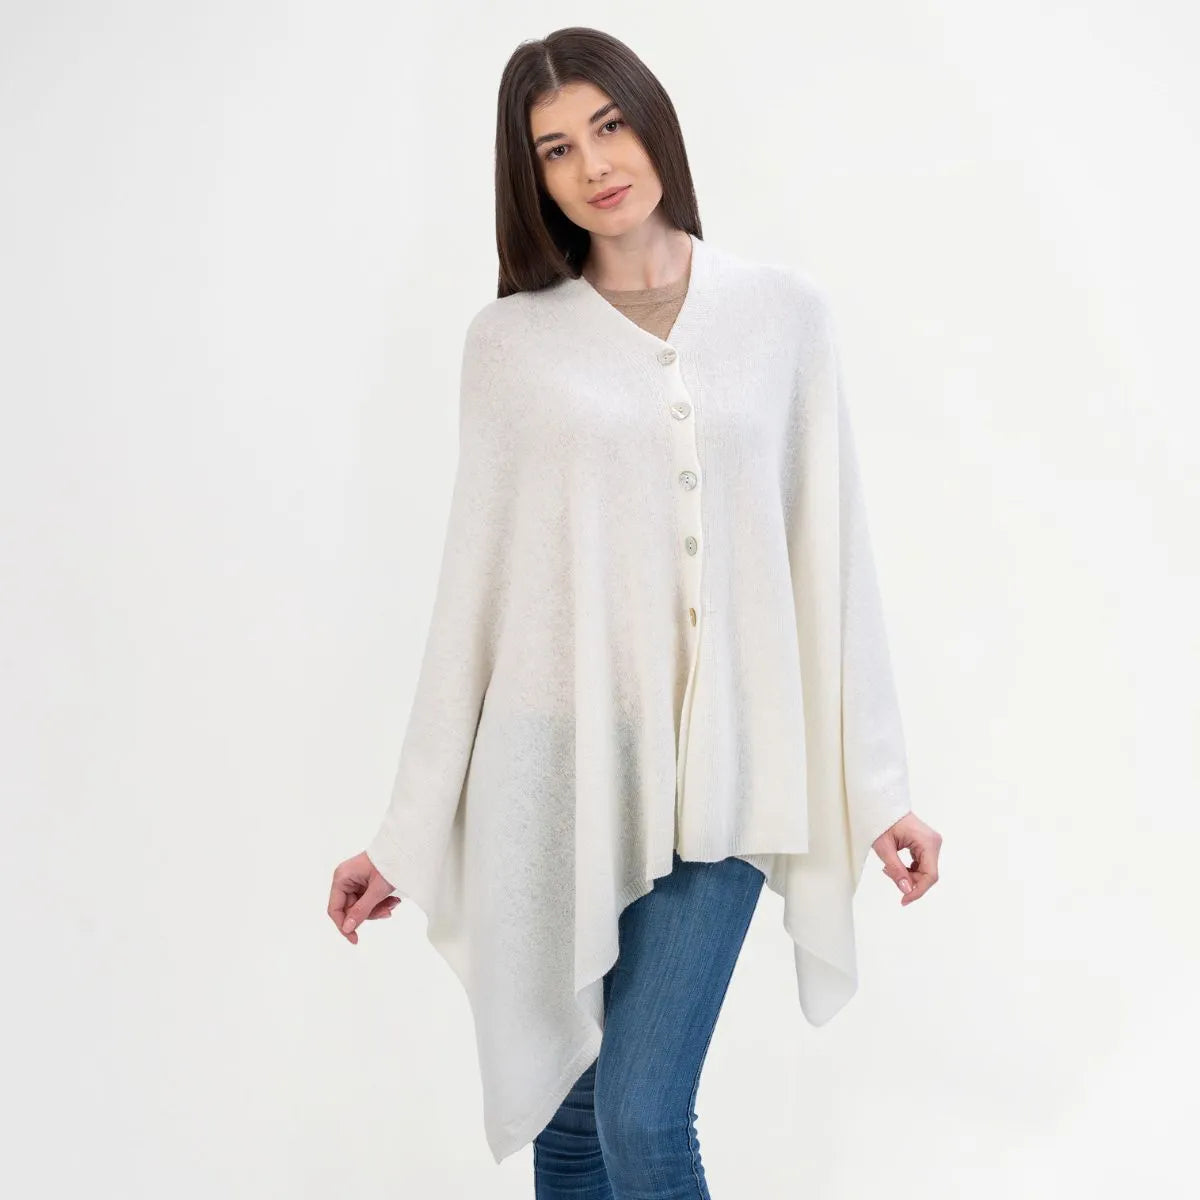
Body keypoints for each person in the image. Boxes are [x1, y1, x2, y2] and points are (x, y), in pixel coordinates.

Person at [326, 25, 943, 1195]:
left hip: (728, 777)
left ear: (654, 122)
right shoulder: (510, 345)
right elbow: (472, 590)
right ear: (533, 179)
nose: (594, 164)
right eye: (555, 149)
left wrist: (880, 789)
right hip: (555, 772)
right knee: (569, 1131)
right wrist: (408, 830)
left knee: (643, 1115)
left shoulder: (784, 315)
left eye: (608, 126)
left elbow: (832, 557)